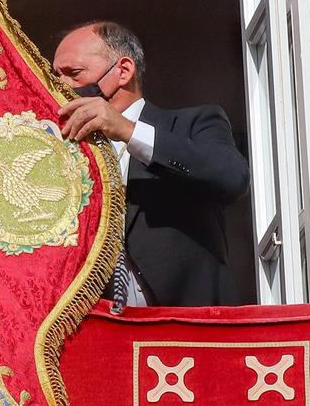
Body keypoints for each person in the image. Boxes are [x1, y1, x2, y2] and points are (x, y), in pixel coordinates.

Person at [54, 21, 251, 307]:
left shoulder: (192, 124)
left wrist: (128, 132)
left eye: (74, 74)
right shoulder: (62, 149)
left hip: (188, 325)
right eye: (56, 76)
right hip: (99, 327)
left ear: (123, 71)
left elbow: (232, 178)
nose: (61, 86)